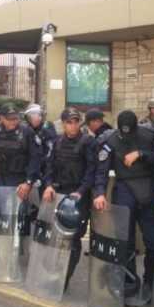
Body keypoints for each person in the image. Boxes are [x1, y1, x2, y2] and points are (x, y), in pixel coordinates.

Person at [94, 110, 154, 305]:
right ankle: (129, 285)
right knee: (124, 243)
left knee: (152, 243)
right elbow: (101, 169)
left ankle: (151, 283)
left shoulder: (150, 136)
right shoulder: (110, 140)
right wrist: (100, 192)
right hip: (124, 191)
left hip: (147, 192)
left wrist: (141, 154)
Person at [42, 107, 97, 289]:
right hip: (59, 194)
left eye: (75, 122)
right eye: (69, 122)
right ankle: (54, 273)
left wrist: (80, 192)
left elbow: (92, 171)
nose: (73, 126)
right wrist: (49, 185)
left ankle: (64, 279)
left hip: (78, 196)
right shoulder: (57, 142)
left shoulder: (88, 142)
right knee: (56, 237)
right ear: (63, 123)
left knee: (73, 238)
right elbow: (49, 167)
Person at [0, 103, 42, 199]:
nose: (13, 122)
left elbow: (35, 158)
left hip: (21, 179)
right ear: (1, 118)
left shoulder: (27, 132)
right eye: (9, 119)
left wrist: (28, 182)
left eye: (15, 118)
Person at [23, 103, 57, 178]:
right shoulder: (26, 130)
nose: (37, 118)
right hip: (29, 168)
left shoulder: (47, 127)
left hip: (45, 168)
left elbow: (51, 150)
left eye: (39, 115)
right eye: (32, 115)